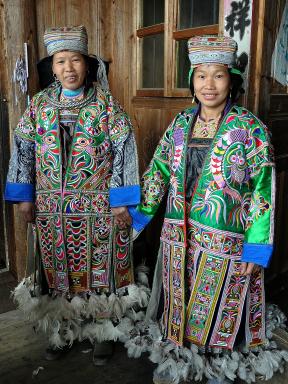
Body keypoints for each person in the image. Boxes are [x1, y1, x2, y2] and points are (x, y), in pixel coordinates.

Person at [126, 35, 288, 384]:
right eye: (201, 75)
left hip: (226, 238)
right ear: (192, 81)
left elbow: (263, 191)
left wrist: (256, 246)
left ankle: (217, 362)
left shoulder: (250, 130)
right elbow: (158, 171)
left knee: (220, 311)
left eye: (218, 75)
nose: (209, 84)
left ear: (232, 80)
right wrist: (139, 214)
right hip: (178, 233)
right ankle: (185, 357)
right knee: (180, 301)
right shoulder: (180, 125)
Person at [5, 25, 149, 365]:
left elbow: (125, 148)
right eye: (60, 61)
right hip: (52, 209)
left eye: (75, 60)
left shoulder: (106, 105)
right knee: (57, 275)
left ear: (87, 64)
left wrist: (121, 201)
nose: (69, 69)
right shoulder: (39, 105)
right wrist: (25, 197)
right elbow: (23, 149)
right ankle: (62, 333)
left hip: (99, 209)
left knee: (102, 272)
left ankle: (104, 332)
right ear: (51, 67)